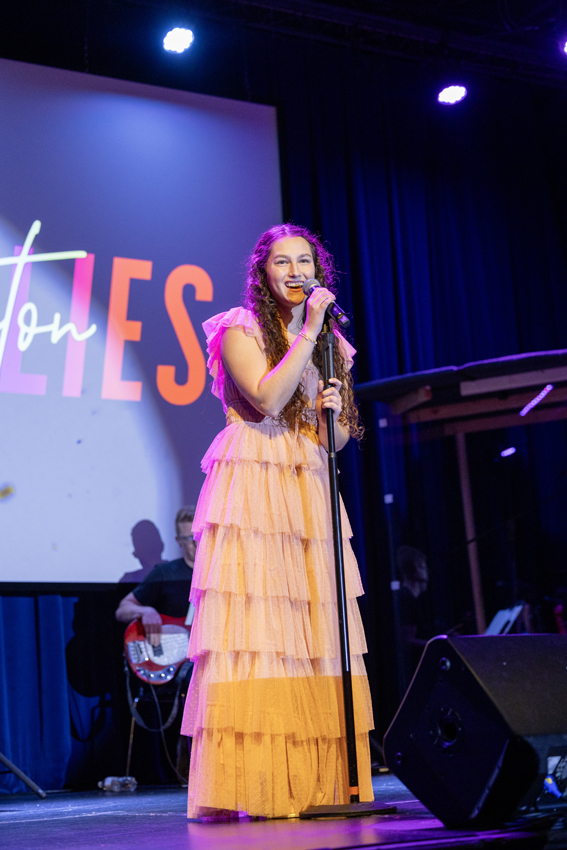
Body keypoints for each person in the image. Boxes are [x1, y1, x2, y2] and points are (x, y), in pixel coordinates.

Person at [181, 224, 374, 820]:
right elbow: (265, 399)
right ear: (263, 273)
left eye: (305, 262)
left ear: (320, 272)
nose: (295, 272)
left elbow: (335, 439)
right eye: (282, 263)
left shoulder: (330, 345)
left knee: (313, 629)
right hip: (257, 474)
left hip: (310, 481)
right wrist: (310, 331)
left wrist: (336, 414)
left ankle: (318, 781)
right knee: (262, 629)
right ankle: (261, 783)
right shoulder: (241, 327)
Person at [115, 507, 196, 643]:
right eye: (189, 538)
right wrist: (145, 612)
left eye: (200, 535)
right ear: (178, 541)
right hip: (175, 658)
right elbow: (123, 609)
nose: (196, 543)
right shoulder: (165, 573)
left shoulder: (223, 575)